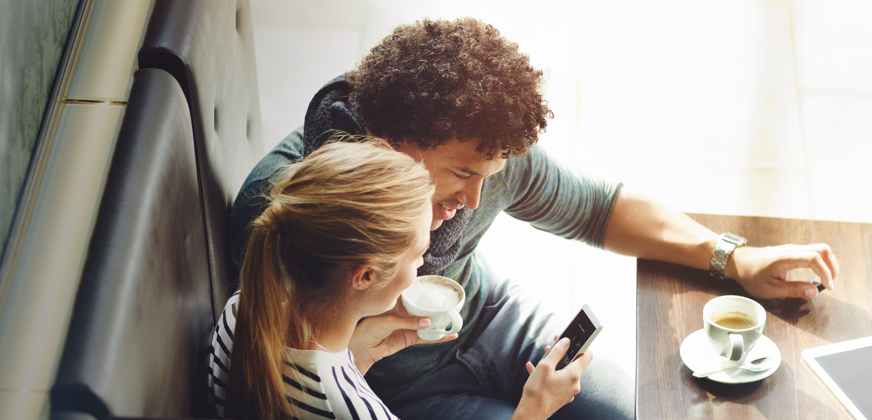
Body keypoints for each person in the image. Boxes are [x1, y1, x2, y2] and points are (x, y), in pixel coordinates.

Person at [225, 17, 841, 420]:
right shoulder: (293, 215)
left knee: (624, 411)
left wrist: (733, 256)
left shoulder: (480, 152)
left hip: (490, 317)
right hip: (396, 389)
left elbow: (596, 207)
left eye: (488, 177)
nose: (473, 200)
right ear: (393, 141)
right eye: (464, 174)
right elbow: (302, 376)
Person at [207, 140, 589, 420]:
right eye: (419, 254)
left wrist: (357, 357)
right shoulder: (359, 409)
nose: (425, 263)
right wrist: (533, 411)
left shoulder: (240, 310)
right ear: (367, 276)